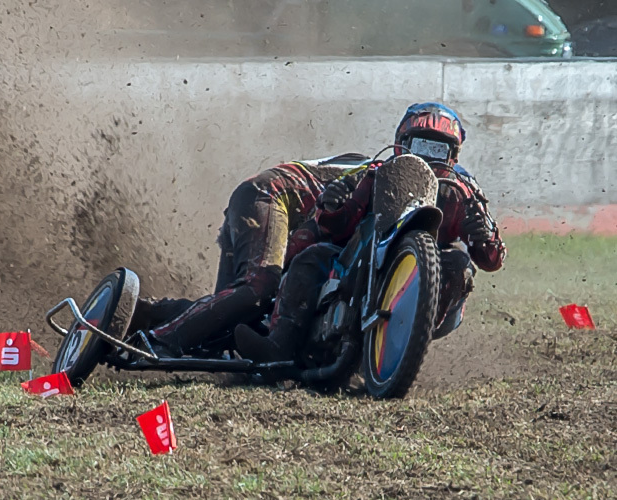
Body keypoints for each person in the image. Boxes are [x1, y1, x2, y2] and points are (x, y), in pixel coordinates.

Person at [235, 102, 508, 362]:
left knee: (460, 263)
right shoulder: (377, 171)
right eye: (420, 145)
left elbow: (492, 259)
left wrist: (483, 237)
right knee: (313, 255)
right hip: (357, 259)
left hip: (424, 274)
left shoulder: (465, 191)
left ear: (453, 155)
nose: (426, 158)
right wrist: (332, 204)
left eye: (437, 149)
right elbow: (333, 225)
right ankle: (278, 344)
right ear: (402, 144)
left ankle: (413, 337)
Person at [132, 153, 373, 358]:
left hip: (256, 198)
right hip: (267, 195)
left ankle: (148, 314)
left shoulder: (377, 181)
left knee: (227, 320)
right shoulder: (376, 172)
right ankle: (160, 342)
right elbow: (311, 236)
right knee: (259, 286)